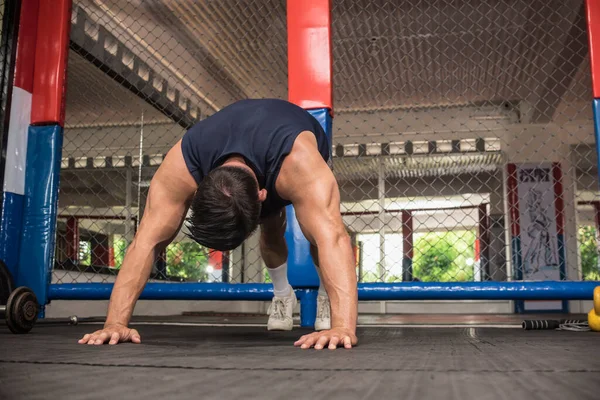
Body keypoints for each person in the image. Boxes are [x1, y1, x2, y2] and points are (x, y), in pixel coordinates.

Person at [78, 99, 358, 350]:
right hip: (247, 148)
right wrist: (115, 323)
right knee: (271, 234)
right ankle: (283, 295)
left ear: (263, 195)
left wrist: (343, 327)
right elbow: (145, 241)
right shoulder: (184, 163)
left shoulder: (299, 164)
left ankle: (326, 296)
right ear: (197, 189)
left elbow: (334, 238)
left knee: (315, 230)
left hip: (290, 136)